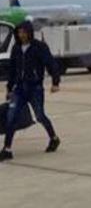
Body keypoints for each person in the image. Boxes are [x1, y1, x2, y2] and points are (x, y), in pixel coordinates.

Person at [1, 20, 61, 161]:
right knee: (11, 116)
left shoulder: (39, 47)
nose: (21, 35)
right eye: (19, 32)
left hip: (35, 88)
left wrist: (55, 82)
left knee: (40, 115)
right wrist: (9, 88)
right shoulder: (16, 48)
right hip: (19, 89)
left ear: (29, 32)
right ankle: (7, 149)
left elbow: (51, 63)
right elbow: (12, 70)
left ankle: (54, 138)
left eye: (24, 32)